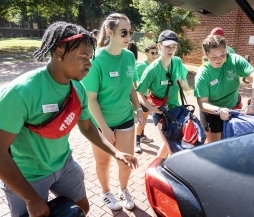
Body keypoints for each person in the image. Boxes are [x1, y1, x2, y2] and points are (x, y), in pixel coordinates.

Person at [0, 21, 138, 217]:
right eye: (83, 57)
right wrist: (31, 198)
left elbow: (88, 127)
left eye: (90, 57)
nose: (89, 64)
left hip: (64, 166)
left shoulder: (77, 88)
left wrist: (116, 152)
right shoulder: (21, 92)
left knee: (82, 209)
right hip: (27, 175)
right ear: (59, 51)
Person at [81, 13, 144, 211]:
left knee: (125, 161)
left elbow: (131, 87)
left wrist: (139, 107)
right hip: (101, 123)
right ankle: (106, 192)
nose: (128, 36)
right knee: (103, 161)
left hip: (125, 119)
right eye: (124, 32)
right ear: (110, 32)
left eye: (130, 32)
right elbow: (91, 99)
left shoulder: (129, 56)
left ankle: (124, 189)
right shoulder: (97, 60)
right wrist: (104, 128)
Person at [194, 35, 254, 143]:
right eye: (214, 57)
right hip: (212, 111)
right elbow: (202, 102)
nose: (219, 60)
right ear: (206, 55)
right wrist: (218, 111)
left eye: (222, 55)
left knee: (234, 142)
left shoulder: (234, 60)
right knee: (216, 147)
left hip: (233, 107)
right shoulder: (203, 73)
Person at [136, 30, 189, 158]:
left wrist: (182, 83)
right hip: (161, 111)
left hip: (176, 109)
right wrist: (151, 108)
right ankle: (162, 172)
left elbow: (186, 88)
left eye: (174, 46)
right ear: (159, 46)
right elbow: (139, 93)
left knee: (169, 144)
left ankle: (157, 165)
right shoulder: (151, 70)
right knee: (172, 145)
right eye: (167, 46)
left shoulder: (177, 62)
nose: (171, 49)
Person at [133, 43, 158, 153]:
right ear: (146, 53)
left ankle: (142, 137)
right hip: (142, 97)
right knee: (142, 120)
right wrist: (135, 88)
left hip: (151, 97)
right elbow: (132, 75)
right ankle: (137, 142)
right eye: (152, 53)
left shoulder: (156, 65)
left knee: (145, 116)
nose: (155, 55)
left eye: (156, 53)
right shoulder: (142, 65)